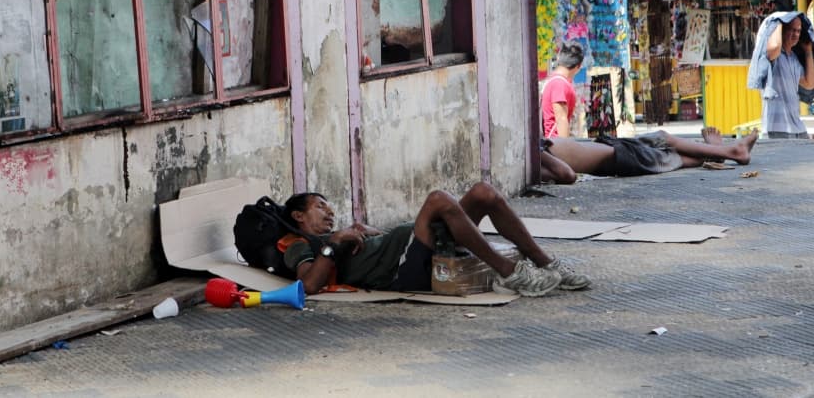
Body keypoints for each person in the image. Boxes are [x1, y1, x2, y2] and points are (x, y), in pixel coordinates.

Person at [279, 182, 591, 297]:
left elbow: (376, 245)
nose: (329, 212)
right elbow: (308, 285)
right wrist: (336, 240)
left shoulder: (343, 233)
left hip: (413, 249)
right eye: (319, 205)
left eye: (330, 207)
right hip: (403, 272)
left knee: (484, 193)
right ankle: (510, 273)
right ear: (298, 216)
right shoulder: (298, 244)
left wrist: (366, 232)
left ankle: (548, 265)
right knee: (438, 199)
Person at [538, 127, 759, 184]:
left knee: (671, 155)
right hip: (619, 157)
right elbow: (566, 175)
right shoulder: (535, 157)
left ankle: (716, 152)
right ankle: (728, 151)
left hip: (615, 151)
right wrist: (540, 152)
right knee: (666, 145)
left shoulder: (532, 153)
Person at [748, 11, 814, 138]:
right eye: (792, 30)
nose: (796, 34)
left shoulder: (794, 59)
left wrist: (808, 51)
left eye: (798, 31)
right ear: (782, 30)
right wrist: (779, 22)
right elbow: (775, 47)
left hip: (797, 127)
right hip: (777, 127)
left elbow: (809, 83)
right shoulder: (773, 56)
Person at [541, 42, 585, 138]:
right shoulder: (559, 83)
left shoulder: (554, 80)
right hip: (557, 143)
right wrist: (565, 148)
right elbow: (561, 119)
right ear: (578, 66)